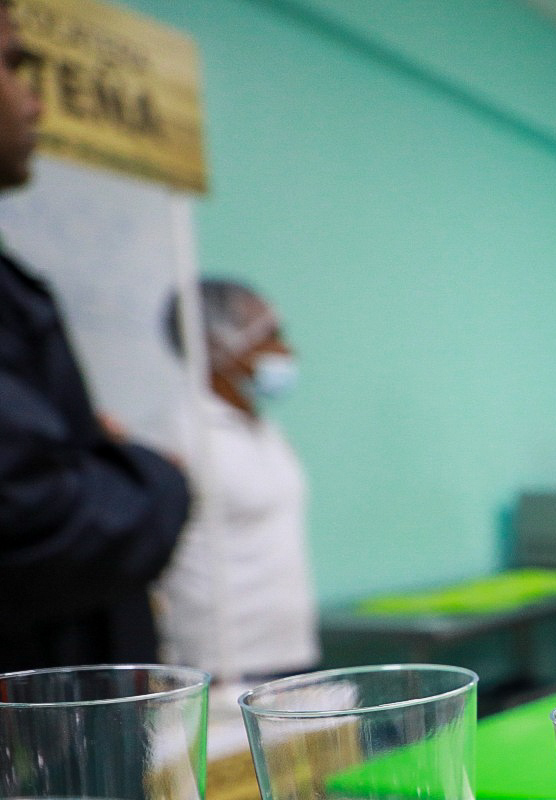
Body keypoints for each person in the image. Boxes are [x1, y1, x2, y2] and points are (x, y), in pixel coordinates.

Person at [0, 5, 190, 670]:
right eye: (12, 64)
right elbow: (33, 520)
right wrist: (156, 479)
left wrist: (85, 455)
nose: (36, 103)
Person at [157, 279, 318, 682]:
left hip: (290, 654)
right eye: (269, 336)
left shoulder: (263, 429)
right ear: (215, 344)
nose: (286, 351)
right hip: (220, 668)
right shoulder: (179, 437)